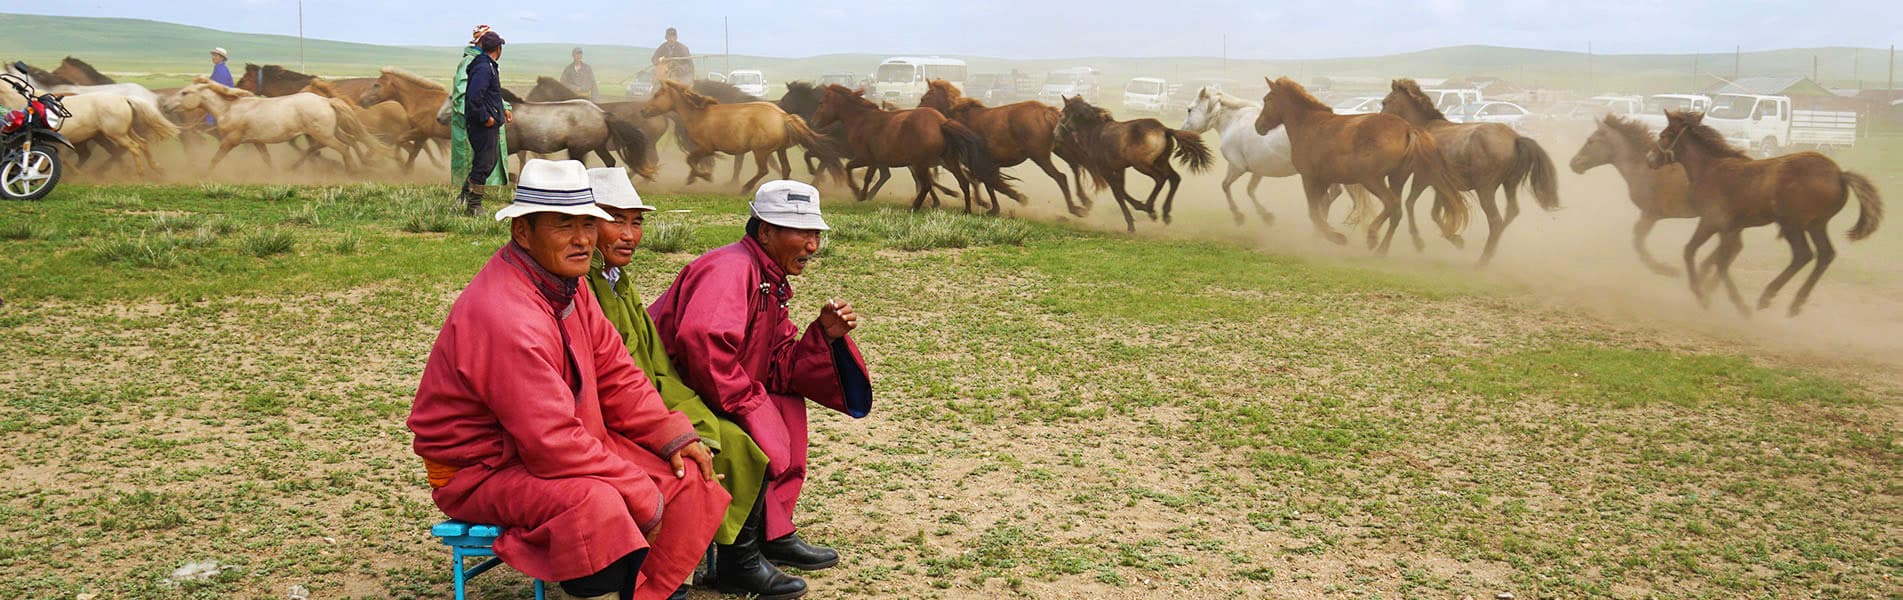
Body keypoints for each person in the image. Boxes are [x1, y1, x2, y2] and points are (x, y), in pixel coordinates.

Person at [409, 158, 730, 600]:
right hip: (484, 470)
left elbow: (617, 373)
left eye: (588, 223)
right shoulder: (505, 314)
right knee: (603, 504)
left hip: (553, 447)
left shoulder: (567, 283)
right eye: (564, 225)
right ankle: (616, 585)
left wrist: (670, 434)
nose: (583, 240)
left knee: (684, 474)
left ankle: (651, 590)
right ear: (522, 231)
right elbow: (550, 443)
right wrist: (642, 496)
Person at [583, 169, 802, 599]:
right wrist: (688, 422)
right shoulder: (584, 286)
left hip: (647, 401)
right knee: (708, 453)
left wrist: (693, 415)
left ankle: (739, 561)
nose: (629, 234)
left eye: (636, 221)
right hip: (616, 415)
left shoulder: (614, 279)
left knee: (741, 445)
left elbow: (654, 364)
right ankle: (667, 577)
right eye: (615, 219)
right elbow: (690, 348)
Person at [648, 180, 872, 590]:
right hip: (675, 393)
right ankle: (739, 559)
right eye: (801, 233)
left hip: (707, 386)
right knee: (754, 432)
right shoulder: (730, 270)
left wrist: (824, 335)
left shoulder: (765, 273)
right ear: (765, 231)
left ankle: (771, 530)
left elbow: (778, 359)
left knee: (785, 402)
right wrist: (748, 404)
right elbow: (703, 346)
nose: (813, 247)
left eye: (815, 233)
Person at [449, 25, 512, 216]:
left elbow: (488, 93)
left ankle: (467, 199)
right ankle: (472, 205)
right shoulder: (479, 64)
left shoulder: (483, 63)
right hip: (479, 122)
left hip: (485, 119)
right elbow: (469, 95)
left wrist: (502, 107)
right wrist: (486, 118)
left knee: (485, 162)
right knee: (482, 163)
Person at [206, 48, 233, 126]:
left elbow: (219, 86)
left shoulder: (221, 69)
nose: (213, 57)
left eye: (215, 55)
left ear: (221, 58)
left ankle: (210, 122)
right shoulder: (219, 67)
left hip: (223, 97)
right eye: (213, 55)